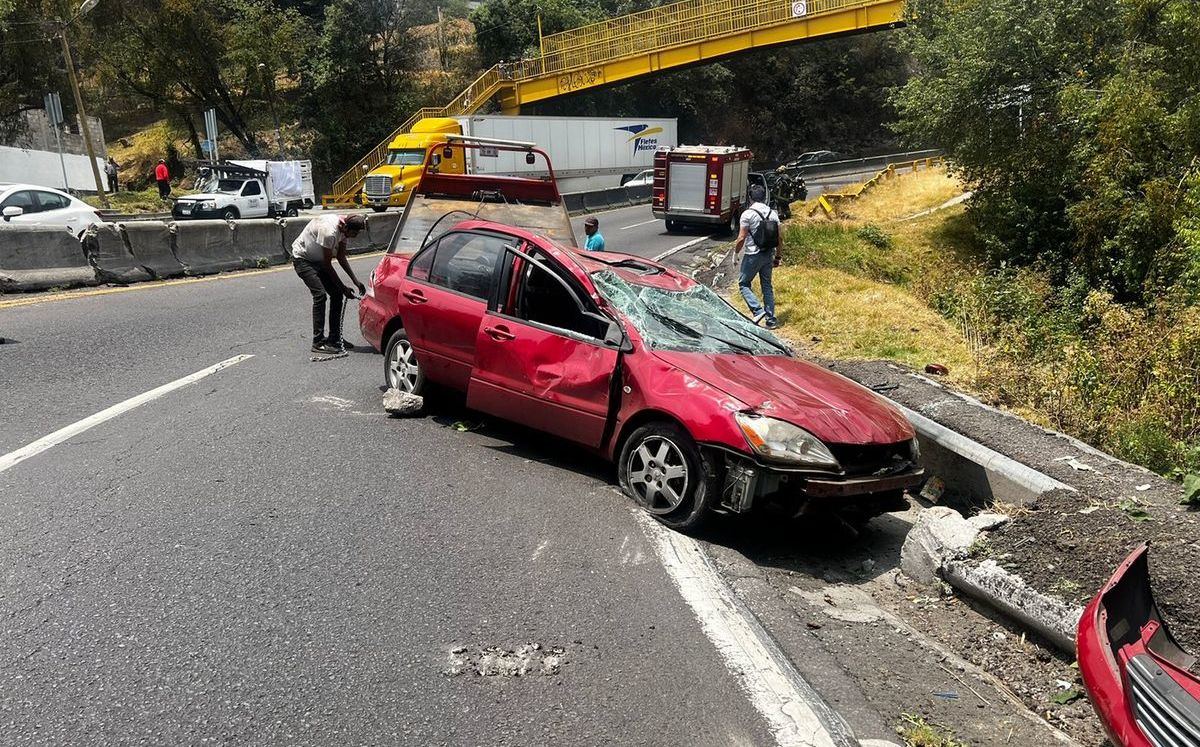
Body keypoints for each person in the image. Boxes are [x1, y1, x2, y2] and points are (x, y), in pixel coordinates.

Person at [292, 213, 367, 355]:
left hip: (319, 261)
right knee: (320, 295)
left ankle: (334, 338)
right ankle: (318, 342)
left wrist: (355, 281)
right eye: (354, 232)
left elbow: (341, 257)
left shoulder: (344, 229)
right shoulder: (329, 232)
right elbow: (328, 265)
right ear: (345, 227)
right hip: (303, 260)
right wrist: (343, 287)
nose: (355, 236)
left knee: (337, 294)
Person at [734, 184, 783, 329]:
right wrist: (778, 257)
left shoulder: (747, 214)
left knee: (743, 284)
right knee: (767, 285)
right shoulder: (773, 214)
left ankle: (757, 310)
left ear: (750, 198)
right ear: (764, 197)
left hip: (752, 255)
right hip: (768, 254)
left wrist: (736, 254)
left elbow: (741, 238)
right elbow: (780, 238)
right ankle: (771, 319)